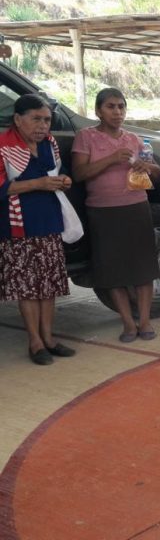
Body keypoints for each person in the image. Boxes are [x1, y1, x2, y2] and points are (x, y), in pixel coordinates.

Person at [71, 88, 160, 342]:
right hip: (103, 210)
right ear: (98, 111)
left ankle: (144, 321)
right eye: (111, 106)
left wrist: (148, 166)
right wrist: (111, 159)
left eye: (121, 106)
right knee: (113, 270)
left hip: (136, 207)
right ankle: (128, 323)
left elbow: (153, 171)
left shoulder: (135, 139)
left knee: (143, 267)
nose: (117, 112)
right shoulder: (85, 137)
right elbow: (79, 174)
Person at [0, 94, 76, 365]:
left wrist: (64, 179)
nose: (43, 126)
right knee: (27, 286)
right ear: (18, 119)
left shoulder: (50, 144)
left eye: (46, 120)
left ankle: (49, 338)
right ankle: (35, 342)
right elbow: (2, 188)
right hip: (19, 226)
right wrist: (39, 183)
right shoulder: (3, 145)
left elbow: (59, 172)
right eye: (36, 119)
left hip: (49, 221)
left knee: (49, 284)